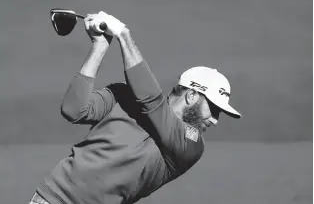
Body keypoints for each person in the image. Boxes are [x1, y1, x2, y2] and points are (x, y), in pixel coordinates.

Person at [29, 11, 241, 204]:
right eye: (213, 109)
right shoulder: (122, 96)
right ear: (192, 95)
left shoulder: (191, 145)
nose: (215, 119)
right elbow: (74, 110)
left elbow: (152, 102)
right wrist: (99, 47)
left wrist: (123, 34)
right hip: (53, 199)